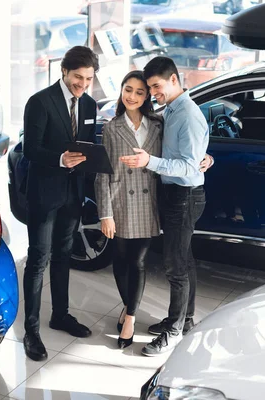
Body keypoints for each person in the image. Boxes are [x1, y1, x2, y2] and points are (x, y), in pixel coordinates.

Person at [119, 56, 209, 356]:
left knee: (175, 267)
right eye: (150, 88)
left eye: (156, 87)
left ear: (174, 79)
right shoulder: (172, 109)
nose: (153, 93)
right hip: (176, 194)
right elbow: (196, 155)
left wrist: (150, 162)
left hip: (185, 196)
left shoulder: (188, 116)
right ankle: (184, 320)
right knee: (184, 260)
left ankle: (173, 332)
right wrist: (207, 158)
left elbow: (187, 165)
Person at [22, 46, 99, 361]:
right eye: (78, 77)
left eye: (88, 79)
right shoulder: (40, 102)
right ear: (64, 72)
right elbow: (30, 149)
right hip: (44, 193)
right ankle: (31, 331)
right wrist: (59, 159)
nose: (82, 84)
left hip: (73, 193)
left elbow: (88, 146)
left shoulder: (90, 104)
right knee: (39, 260)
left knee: (65, 255)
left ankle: (61, 315)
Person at [94, 70, 163, 349]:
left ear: (147, 96)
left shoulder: (159, 124)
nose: (132, 96)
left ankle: (130, 317)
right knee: (120, 260)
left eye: (139, 92)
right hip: (120, 200)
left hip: (149, 202)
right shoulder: (112, 127)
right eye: (128, 90)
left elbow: (177, 155)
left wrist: (205, 157)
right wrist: (105, 213)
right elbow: (103, 173)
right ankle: (127, 305)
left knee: (137, 261)